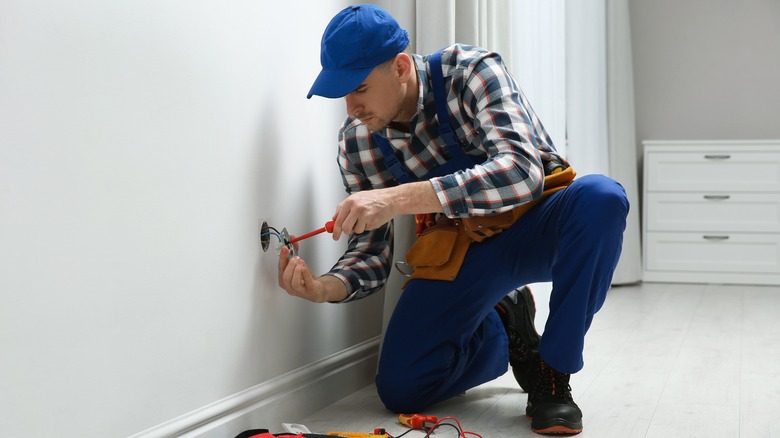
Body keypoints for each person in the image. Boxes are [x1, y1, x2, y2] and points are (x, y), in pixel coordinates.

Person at [278, 4, 629, 435]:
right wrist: (322, 289)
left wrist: (397, 198)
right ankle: (503, 325)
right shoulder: (357, 144)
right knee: (401, 388)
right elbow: (371, 251)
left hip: (538, 225)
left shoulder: (471, 72)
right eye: (343, 94)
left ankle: (552, 374)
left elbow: (521, 170)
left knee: (603, 198)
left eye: (361, 89)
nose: (352, 107)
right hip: (463, 253)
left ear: (401, 67)